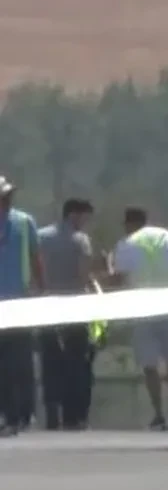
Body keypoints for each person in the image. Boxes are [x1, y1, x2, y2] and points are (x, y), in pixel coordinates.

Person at [106, 207, 168, 431]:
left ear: (130, 223)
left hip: (142, 308)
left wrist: (108, 266)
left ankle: (158, 413)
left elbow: (117, 281)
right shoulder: (167, 236)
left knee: (150, 365)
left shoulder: (126, 244)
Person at [37, 198, 96, 431]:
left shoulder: (41, 237)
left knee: (50, 361)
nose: (85, 223)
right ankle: (75, 416)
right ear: (74, 215)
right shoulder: (80, 240)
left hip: (46, 305)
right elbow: (84, 274)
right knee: (77, 363)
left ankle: (52, 412)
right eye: (84, 217)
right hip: (74, 306)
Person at [0, 177, 43, 435]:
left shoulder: (24, 222)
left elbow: (36, 257)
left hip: (20, 301)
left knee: (19, 361)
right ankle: (8, 413)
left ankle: (22, 414)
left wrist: (42, 288)